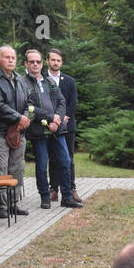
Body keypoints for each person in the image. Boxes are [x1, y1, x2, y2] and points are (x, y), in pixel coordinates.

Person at [21, 49, 82, 209]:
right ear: (26, 64)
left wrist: (57, 119)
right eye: (32, 61)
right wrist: (50, 118)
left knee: (65, 161)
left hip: (57, 130)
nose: (35, 64)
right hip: (38, 131)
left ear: (42, 63)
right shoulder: (22, 83)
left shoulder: (50, 82)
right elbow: (27, 107)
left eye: (38, 61)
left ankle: (67, 197)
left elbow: (62, 102)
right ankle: (45, 197)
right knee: (42, 165)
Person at [0, 45, 31, 218]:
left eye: (13, 57)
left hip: (18, 132)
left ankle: (12, 204)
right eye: (7, 57)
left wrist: (23, 118)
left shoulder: (19, 78)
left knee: (17, 169)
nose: (11, 60)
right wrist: (18, 118)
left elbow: (28, 101)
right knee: (0, 169)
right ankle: (1, 207)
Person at [46, 48, 78, 202]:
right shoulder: (42, 79)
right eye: (53, 60)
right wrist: (53, 119)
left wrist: (65, 117)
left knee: (69, 158)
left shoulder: (69, 81)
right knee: (53, 158)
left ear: (61, 62)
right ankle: (53, 189)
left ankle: (71, 188)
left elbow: (72, 103)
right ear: (47, 61)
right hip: (49, 125)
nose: (55, 63)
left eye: (58, 60)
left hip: (68, 125)